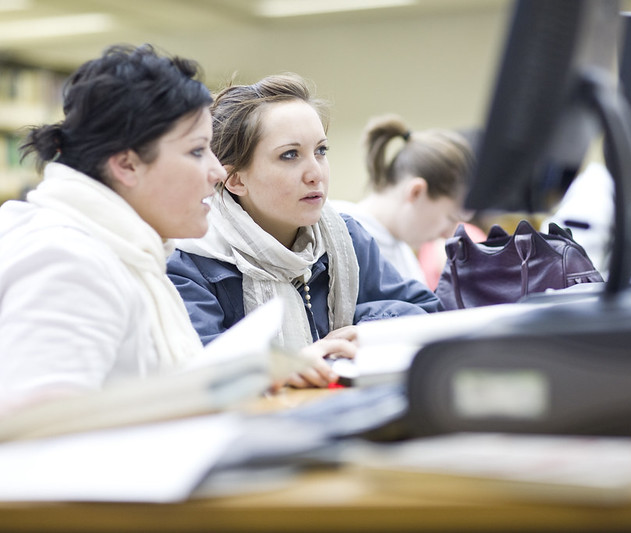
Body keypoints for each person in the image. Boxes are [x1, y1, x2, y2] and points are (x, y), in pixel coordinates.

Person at [0, 45, 354, 414]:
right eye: (198, 151)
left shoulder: (125, 251)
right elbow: (38, 438)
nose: (218, 173)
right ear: (127, 165)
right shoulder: (66, 261)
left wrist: (247, 376)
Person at [166, 74, 441, 388]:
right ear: (236, 180)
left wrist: (368, 330)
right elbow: (201, 374)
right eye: (290, 155)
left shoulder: (344, 237)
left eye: (321, 151)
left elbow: (429, 314)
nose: (315, 174)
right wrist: (283, 367)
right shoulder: (189, 260)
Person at [332, 114, 481, 287]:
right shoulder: (339, 234)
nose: (448, 234)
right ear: (416, 192)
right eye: (450, 218)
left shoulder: (403, 254)